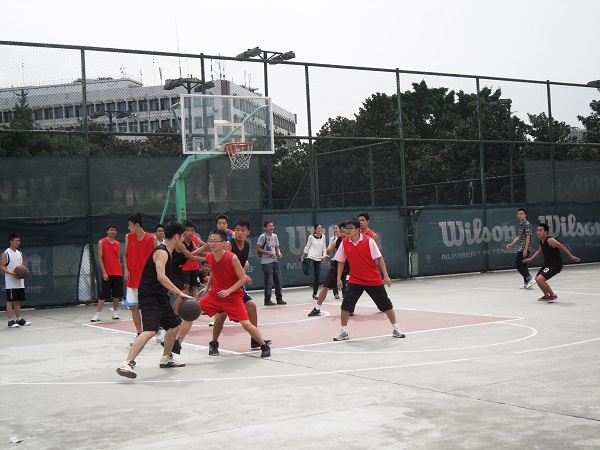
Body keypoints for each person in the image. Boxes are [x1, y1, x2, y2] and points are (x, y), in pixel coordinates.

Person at [116, 221, 194, 379]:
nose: (183, 241)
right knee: (150, 331)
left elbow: (163, 278)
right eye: (182, 238)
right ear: (177, 236)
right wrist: (179, 292)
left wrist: (170, 289)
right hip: (149, 296)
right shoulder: (162, 252)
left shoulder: (169, 252)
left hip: (160, 296)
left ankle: (166, 358)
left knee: (173, 327)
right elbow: (161, 276)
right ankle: (127, 363)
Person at [198, 229, 271, 358]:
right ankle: (211, 343)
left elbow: (240, 274)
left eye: (242, 230)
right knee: (218, 315)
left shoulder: (242, 248)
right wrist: (208, 287)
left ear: (248, 232)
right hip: (220, 292)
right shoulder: (222, 249)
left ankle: (261, 343)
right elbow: (215, 269)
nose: (240, 233)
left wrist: (237, 281)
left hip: (234, 291)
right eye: (237, 230)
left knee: (249, 314)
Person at [332, 218, 405, 341]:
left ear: (357, 230)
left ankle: (396, 328)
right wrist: (338, 278)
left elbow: (379, 258)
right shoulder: (344, 243)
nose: (347, 231)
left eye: (350, 228)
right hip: (355, 280)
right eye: (346, 228)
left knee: (386, 305)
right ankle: (343, 332)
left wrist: (386, 275)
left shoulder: (369, 241)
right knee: (345, 306)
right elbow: (341, 261)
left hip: (373, 279)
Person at [123, 213, 158, 343]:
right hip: (132, 278)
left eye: (130, 225)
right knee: (134, 307)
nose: (129, 228)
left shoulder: (152, 238)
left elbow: (158, 256)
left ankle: (157, 328)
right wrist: (126, 270)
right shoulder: (129, 237)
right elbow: (125, 255)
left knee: (150, 307)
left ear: (137, 225)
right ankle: (139, 333)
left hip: (147, 280)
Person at [523, 222, 580, 302]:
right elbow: (540, 252)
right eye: (537, 230)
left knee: (540, 279)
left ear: (545, 232)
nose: (538, 232)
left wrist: (572, 257)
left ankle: (552, 295)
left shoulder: (550, 240)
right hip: (548, 264)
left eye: (540, 230)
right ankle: (546, 296)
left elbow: (562, 247)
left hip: (555, 265)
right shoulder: (542, 242)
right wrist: (531, 259)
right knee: (537, 279)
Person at [308, 223, 350, 317]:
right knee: (325, 288)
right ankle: (317, 308)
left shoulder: (352, 242)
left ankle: (348, 308)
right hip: (336, 269)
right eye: (342, 232)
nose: (343, 234)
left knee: (348, 289)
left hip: (348, 270)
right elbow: (327, 250)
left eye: (345, 232)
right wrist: (325, 254)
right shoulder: (337, 241)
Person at [91, 224, 122, 322]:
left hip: (117, 272)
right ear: (107, 231)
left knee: (116, 294)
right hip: (107, 273)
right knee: (103, 294)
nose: (113, 232)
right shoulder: (102, 242)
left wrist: (119, 268)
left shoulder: (117, 243)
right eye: (111, 230)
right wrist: (104, 272)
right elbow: (100, 258)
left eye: (115, 230)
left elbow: (117, 257)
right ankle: (97, 314)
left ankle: (115, 312)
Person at [1, 233, 31, 328]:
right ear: (11, 241)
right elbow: (1, 266)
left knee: (18, 301)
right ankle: (10, 321)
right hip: (11, 282)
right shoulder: (6, 253)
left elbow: (21, 265)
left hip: (19, 282)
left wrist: (25, 270)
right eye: (16, 241)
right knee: (10, 301)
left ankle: (19, 319)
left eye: (19, 241)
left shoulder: (19, 253)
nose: (18, 242)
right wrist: (11, 273)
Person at [256, 220, 286, 306]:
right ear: (265, 228)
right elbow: (258, 248)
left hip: (274, 261)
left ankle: (279, 299)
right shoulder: (262, 237)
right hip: (266, 262)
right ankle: (267, 300)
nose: (272, 227)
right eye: (269, 226)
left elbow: (277, 246)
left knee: (278, 281)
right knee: (269, 282)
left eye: (272, 226)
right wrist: (267, 253)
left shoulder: (275, 236)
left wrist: (279, 252)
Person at [506, 208, 536, 289]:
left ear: (525, 215)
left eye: (521, 214)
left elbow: (528, 236)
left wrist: (525, 249)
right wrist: (511, 244)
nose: (520, 215)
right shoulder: (522, 224)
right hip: (522, 247)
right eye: (518, 214)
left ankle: (530, 279)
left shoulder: (527, 224)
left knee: (519, 265)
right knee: (523, 265)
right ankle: (526, 282)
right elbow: (519, 237)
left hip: (524, 248)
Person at [300, 223, 328, 300]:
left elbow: (324, 247)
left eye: (321, 228)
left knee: (317, 277)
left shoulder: (323, 237)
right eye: (318, 228)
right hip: (311, 257)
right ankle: (304, 262)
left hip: (318, 259)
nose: (320, 229)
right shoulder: (311, 237)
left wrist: (324, 255)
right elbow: (307, 247)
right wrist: (302, 256)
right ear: (315, 229)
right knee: (307, 272)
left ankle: (315, 294)